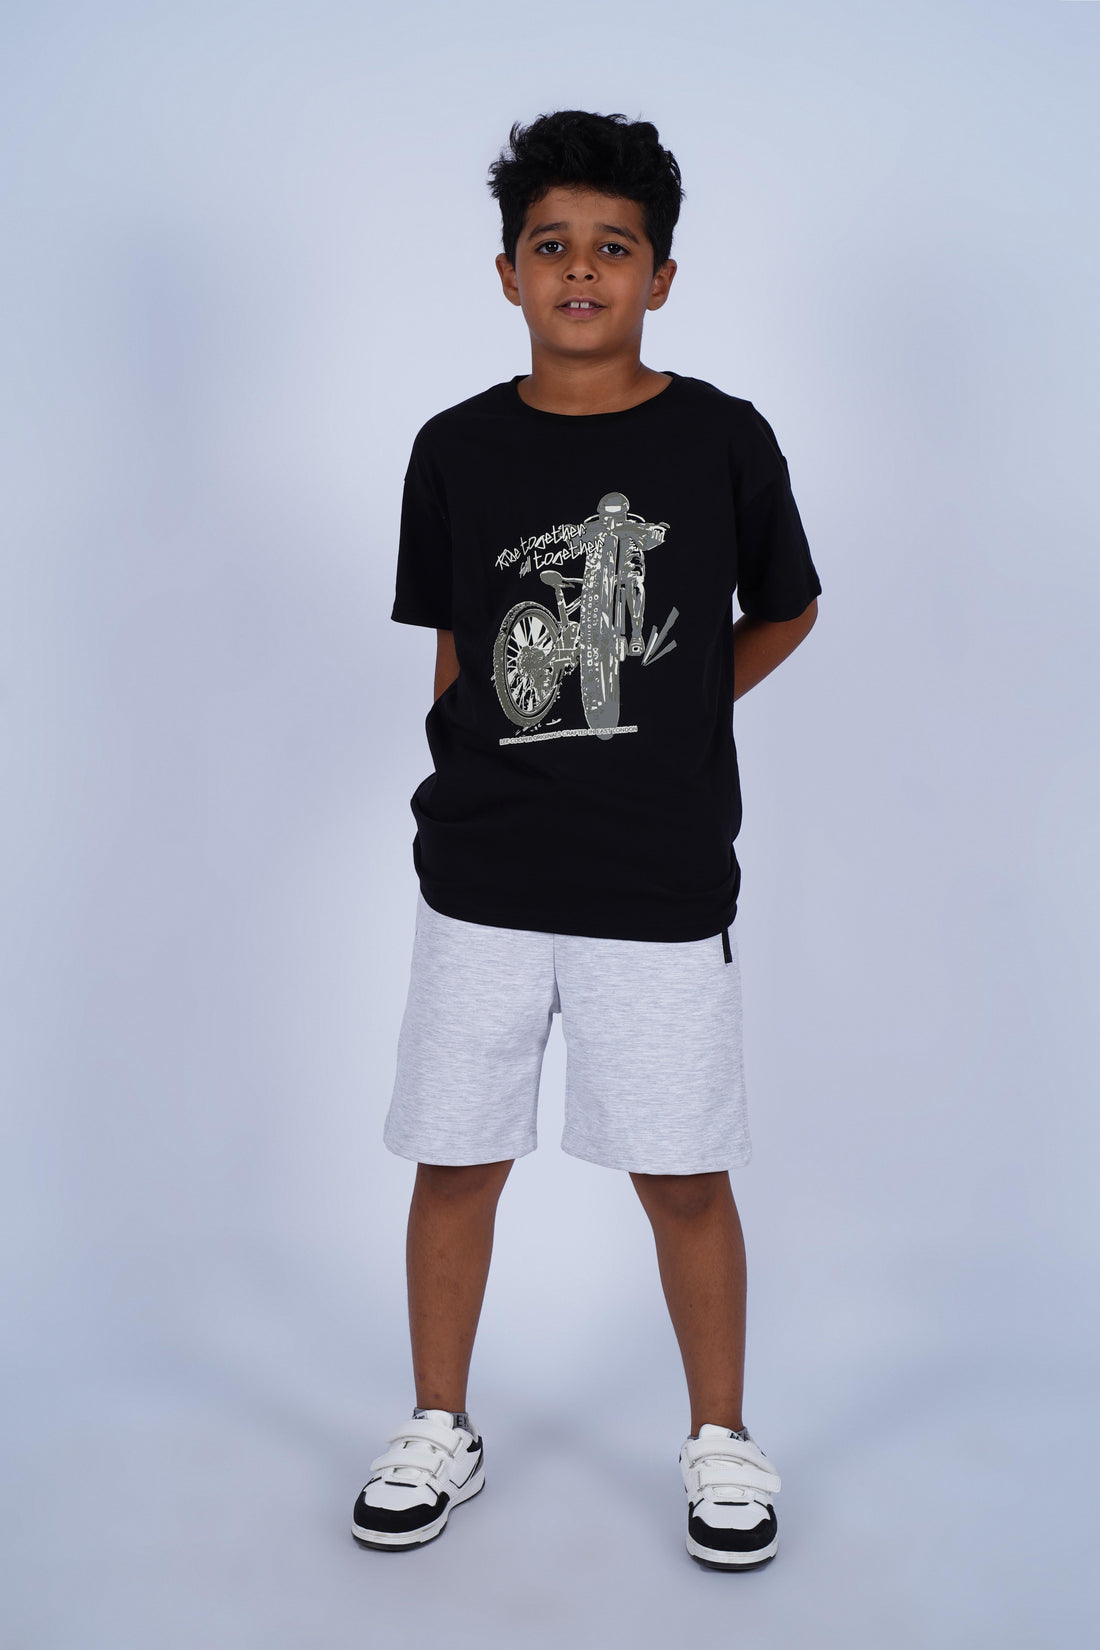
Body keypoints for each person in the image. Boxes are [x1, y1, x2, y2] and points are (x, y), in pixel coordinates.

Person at [351, 109, 822, 1571]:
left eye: (613, 247)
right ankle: (440, 1423)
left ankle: (721, 1438)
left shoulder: (723, 438)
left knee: (682, 1171)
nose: (579, 269)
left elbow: (790, 606)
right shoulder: (455, 448)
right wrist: (472, 755)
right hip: (482, 877)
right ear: (506, 272)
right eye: (550, 244)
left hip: (657, 880)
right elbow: (454, 642)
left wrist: (676, 701)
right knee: (456, 1157)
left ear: (660, 276)